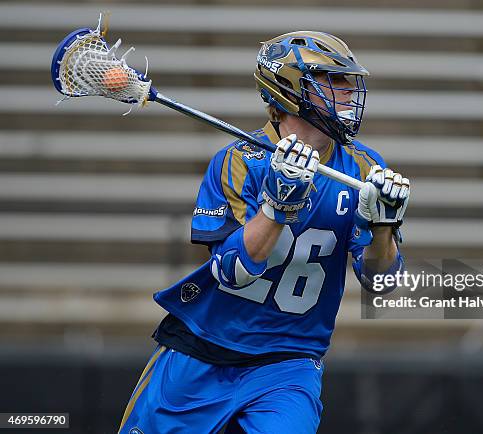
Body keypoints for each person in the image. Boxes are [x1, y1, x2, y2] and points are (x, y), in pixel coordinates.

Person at [118, 30, 410, 434]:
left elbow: (382, 282)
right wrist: (277, 206)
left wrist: (383, 228)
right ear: (290, 89)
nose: (347, 92)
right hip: (202, 351)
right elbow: (231, 272)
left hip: (287, 364)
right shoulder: (238, 163)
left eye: (347, 81)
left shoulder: (363, 167)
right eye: (333, 80)